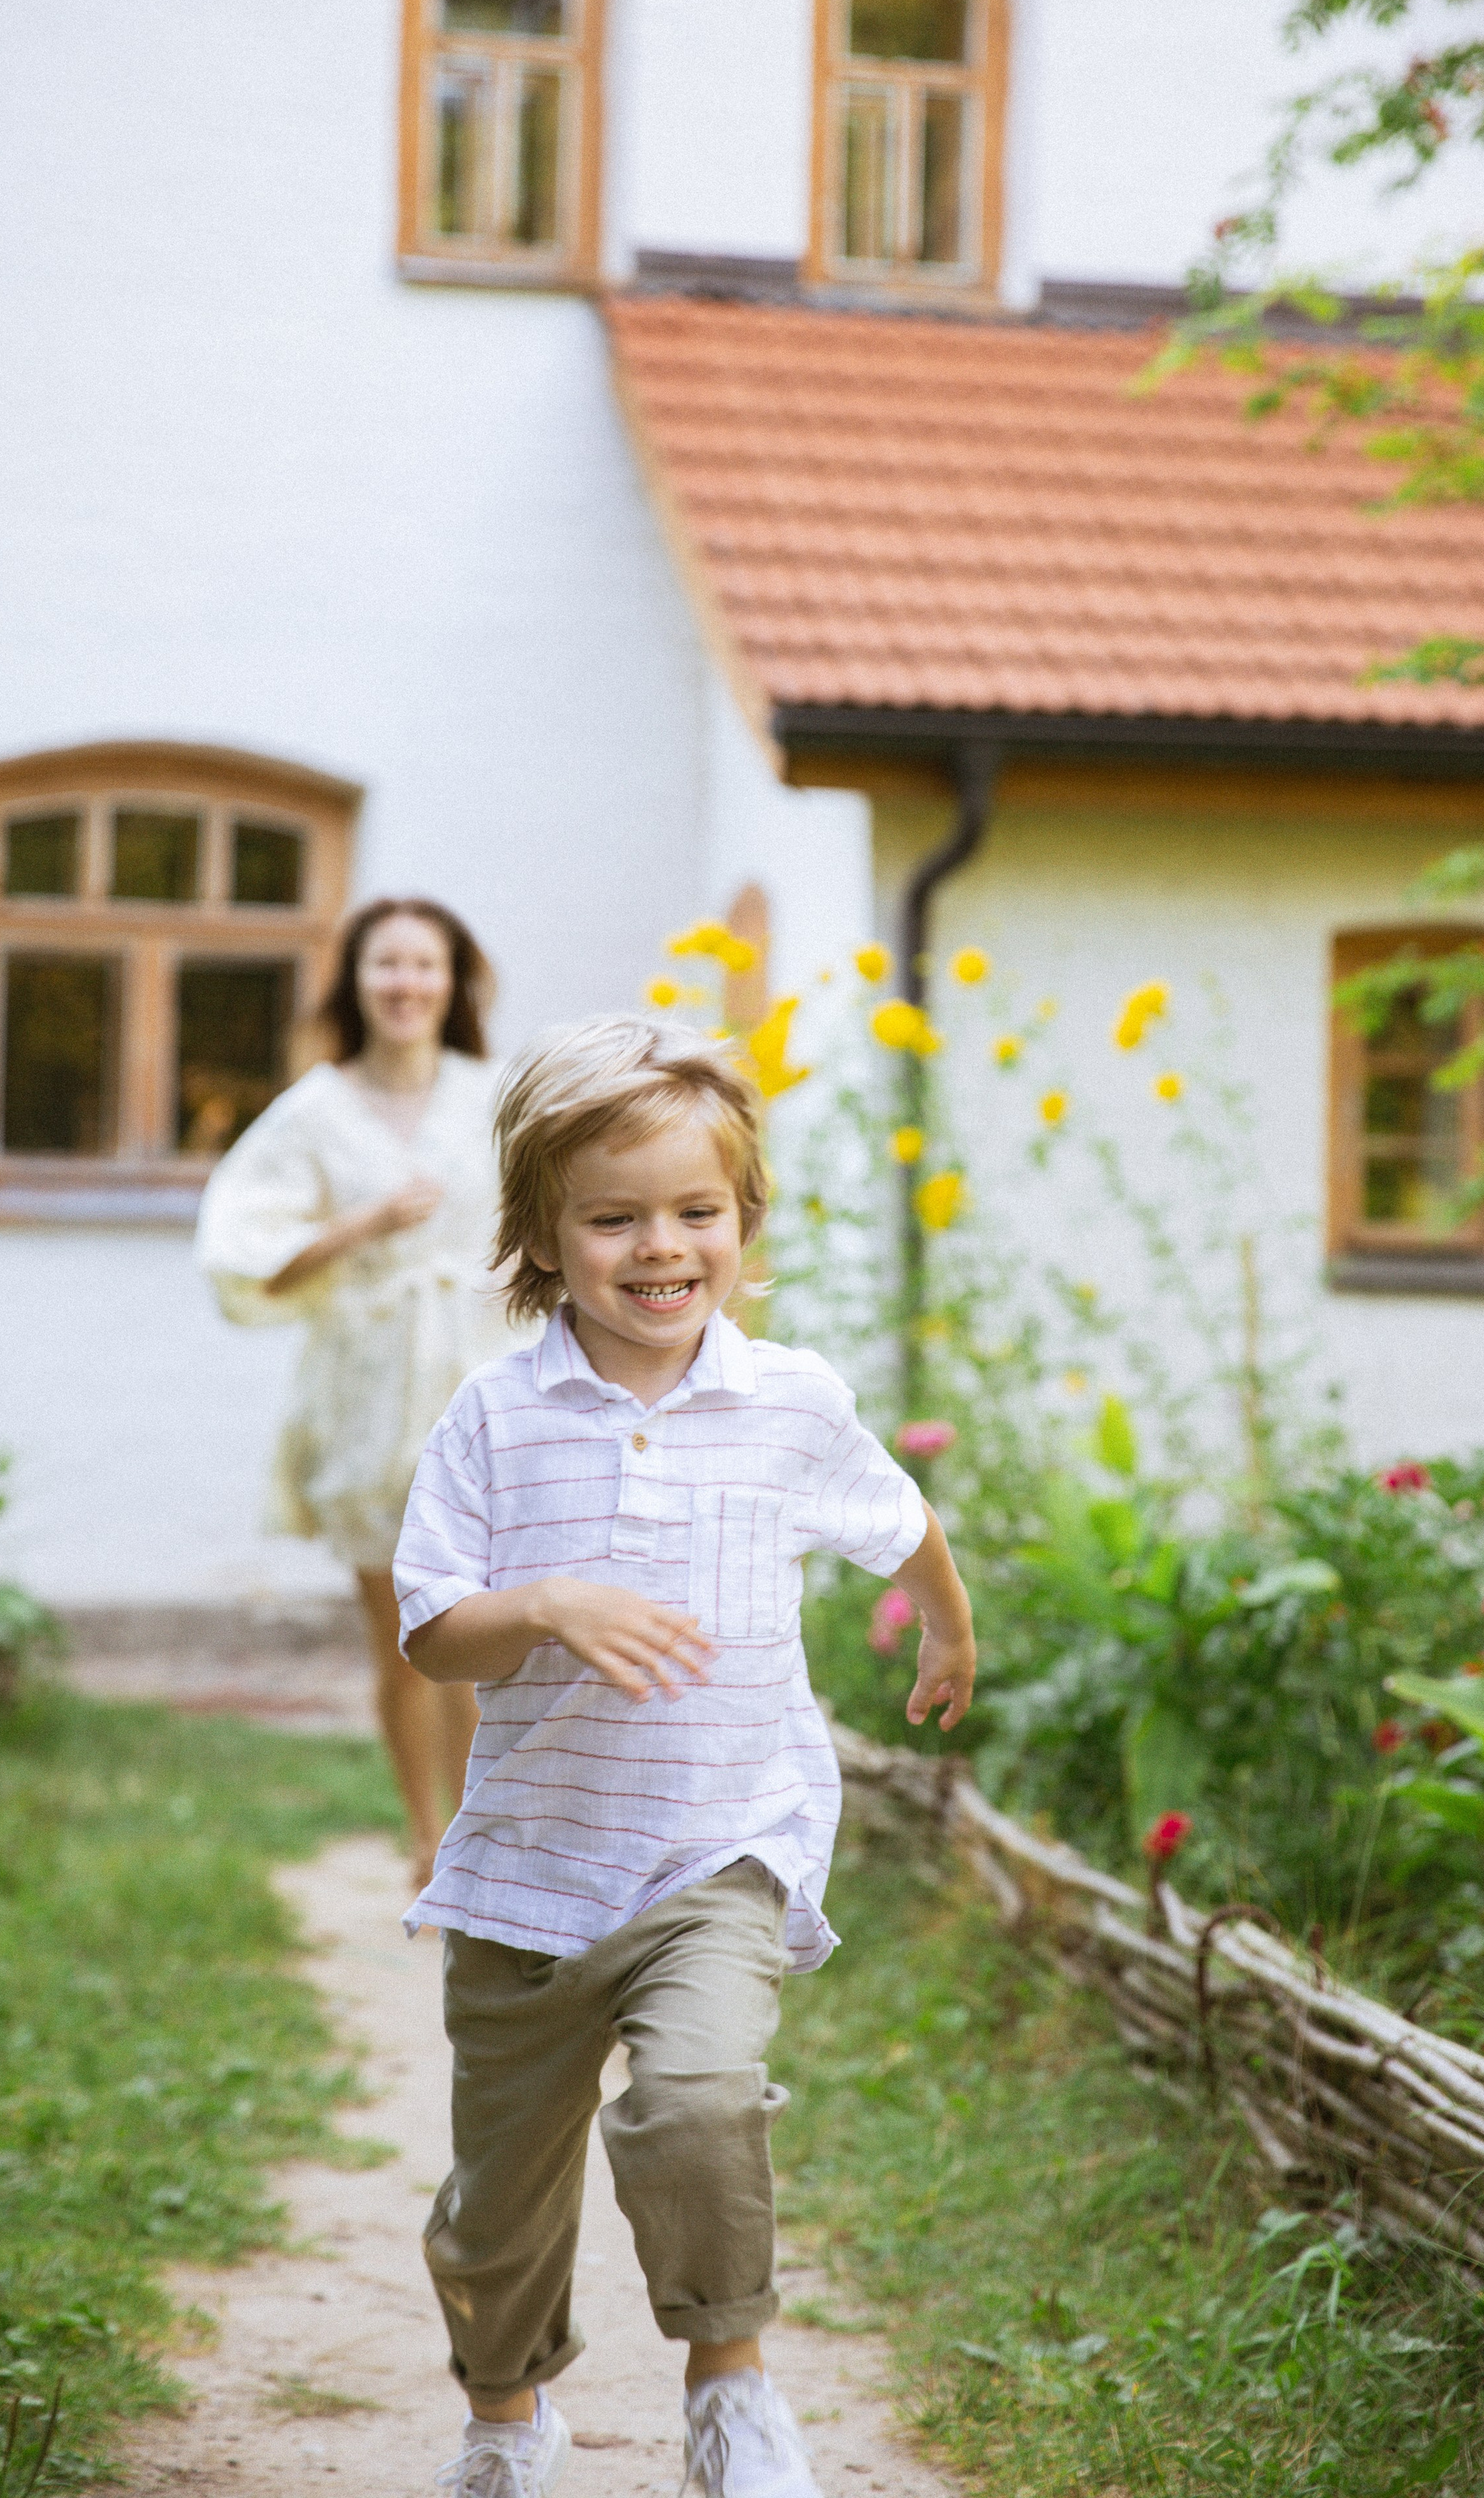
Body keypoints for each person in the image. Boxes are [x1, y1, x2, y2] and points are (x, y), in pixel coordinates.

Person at [393, 1016, 977, 2498]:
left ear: (741, 1220)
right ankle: (507, 2416)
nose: (660, 1248)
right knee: (496, 2208)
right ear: (540, 1230)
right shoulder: (491, 1419)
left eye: (693, 1213)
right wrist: (540, 1603)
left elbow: (896, 1517)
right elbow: (433, 1636)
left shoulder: (788, 1401)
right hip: (529, 1871)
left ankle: (730, 2394)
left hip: (719, 1845)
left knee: (701, 2101)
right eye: (613, 1217)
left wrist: (945, 1632)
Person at [196, 897, 518, 1889]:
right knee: (406, 1637)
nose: (407, 984)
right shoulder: (314, 1111)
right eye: (388, 965)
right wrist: (364, 1223)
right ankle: (426, 1835)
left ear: (453, 982)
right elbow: (250, 1262)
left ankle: (480, 1842)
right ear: (356, 982)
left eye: (426, 965)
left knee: (481, 1627)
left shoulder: (495, 1094)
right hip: (370, 1394)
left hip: (482, 1385)